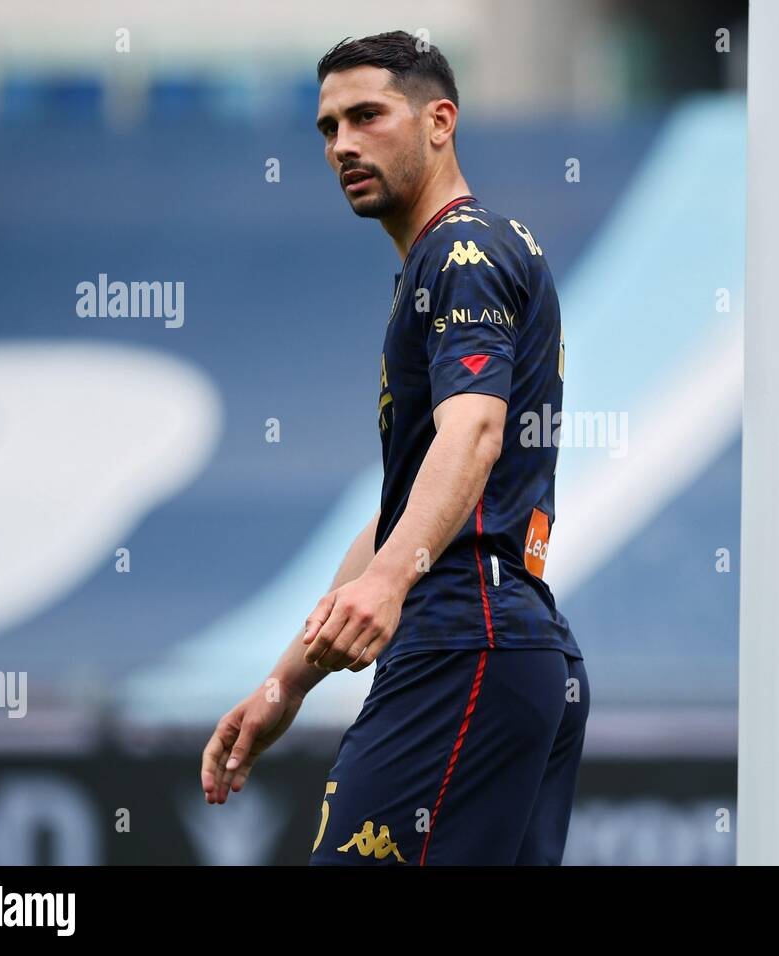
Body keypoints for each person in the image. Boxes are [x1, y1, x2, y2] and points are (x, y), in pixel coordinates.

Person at [199, 30, 588, 866]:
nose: (342, 144)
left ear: (440, 120)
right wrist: (286, 683)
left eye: (367, 116)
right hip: (514, 642)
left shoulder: (462, 252)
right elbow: (402, 513)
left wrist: (388, 581)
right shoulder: (444, 262)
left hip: (466, 637)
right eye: (328, 127)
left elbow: (475, 432)